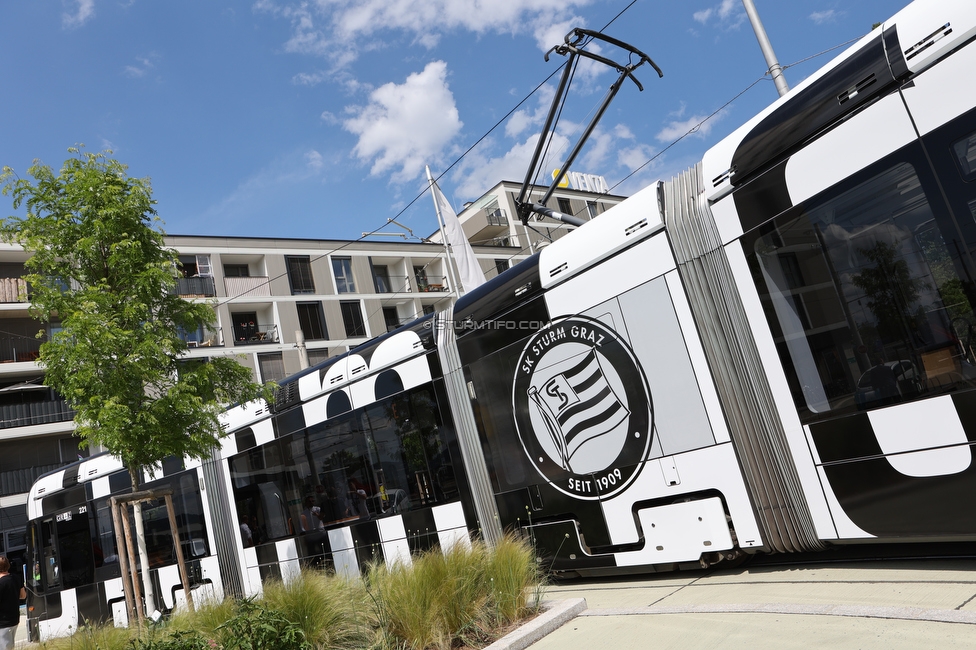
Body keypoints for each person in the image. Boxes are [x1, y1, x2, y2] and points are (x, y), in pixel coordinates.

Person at [0, 555, 25, 650]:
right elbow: (23, 595)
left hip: (3, 623)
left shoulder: (1, 584)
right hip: (14, 620)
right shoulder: (15, 578)